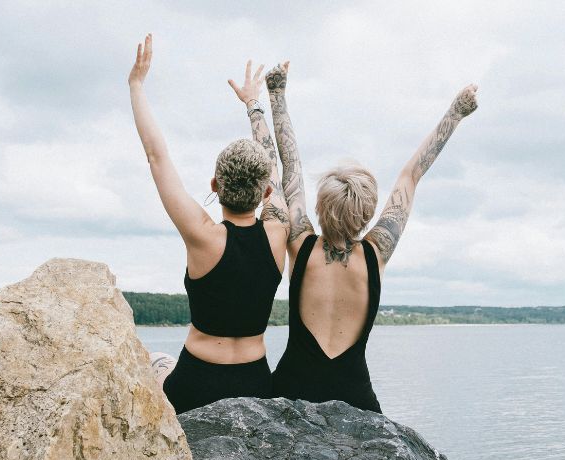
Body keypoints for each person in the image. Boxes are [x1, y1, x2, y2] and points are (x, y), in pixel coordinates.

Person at [266, 61, 479, 413]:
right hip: (354, 395)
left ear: (320, 206)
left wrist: (277, 95)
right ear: (367, 214)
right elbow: (411, 176)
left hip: (291, 388)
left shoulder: (299, 242)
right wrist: (455, 113)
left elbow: (293, 167)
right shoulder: (377, 251)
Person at [128, 35, 289, 414]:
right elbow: (274, 168)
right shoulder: (278, 233)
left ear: (215, 186)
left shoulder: (203, 236)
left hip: (196, 382)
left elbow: (157, 156)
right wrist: (253, 105)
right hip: (255, 383)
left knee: (156, 362)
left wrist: (136, 84)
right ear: (266, 193)